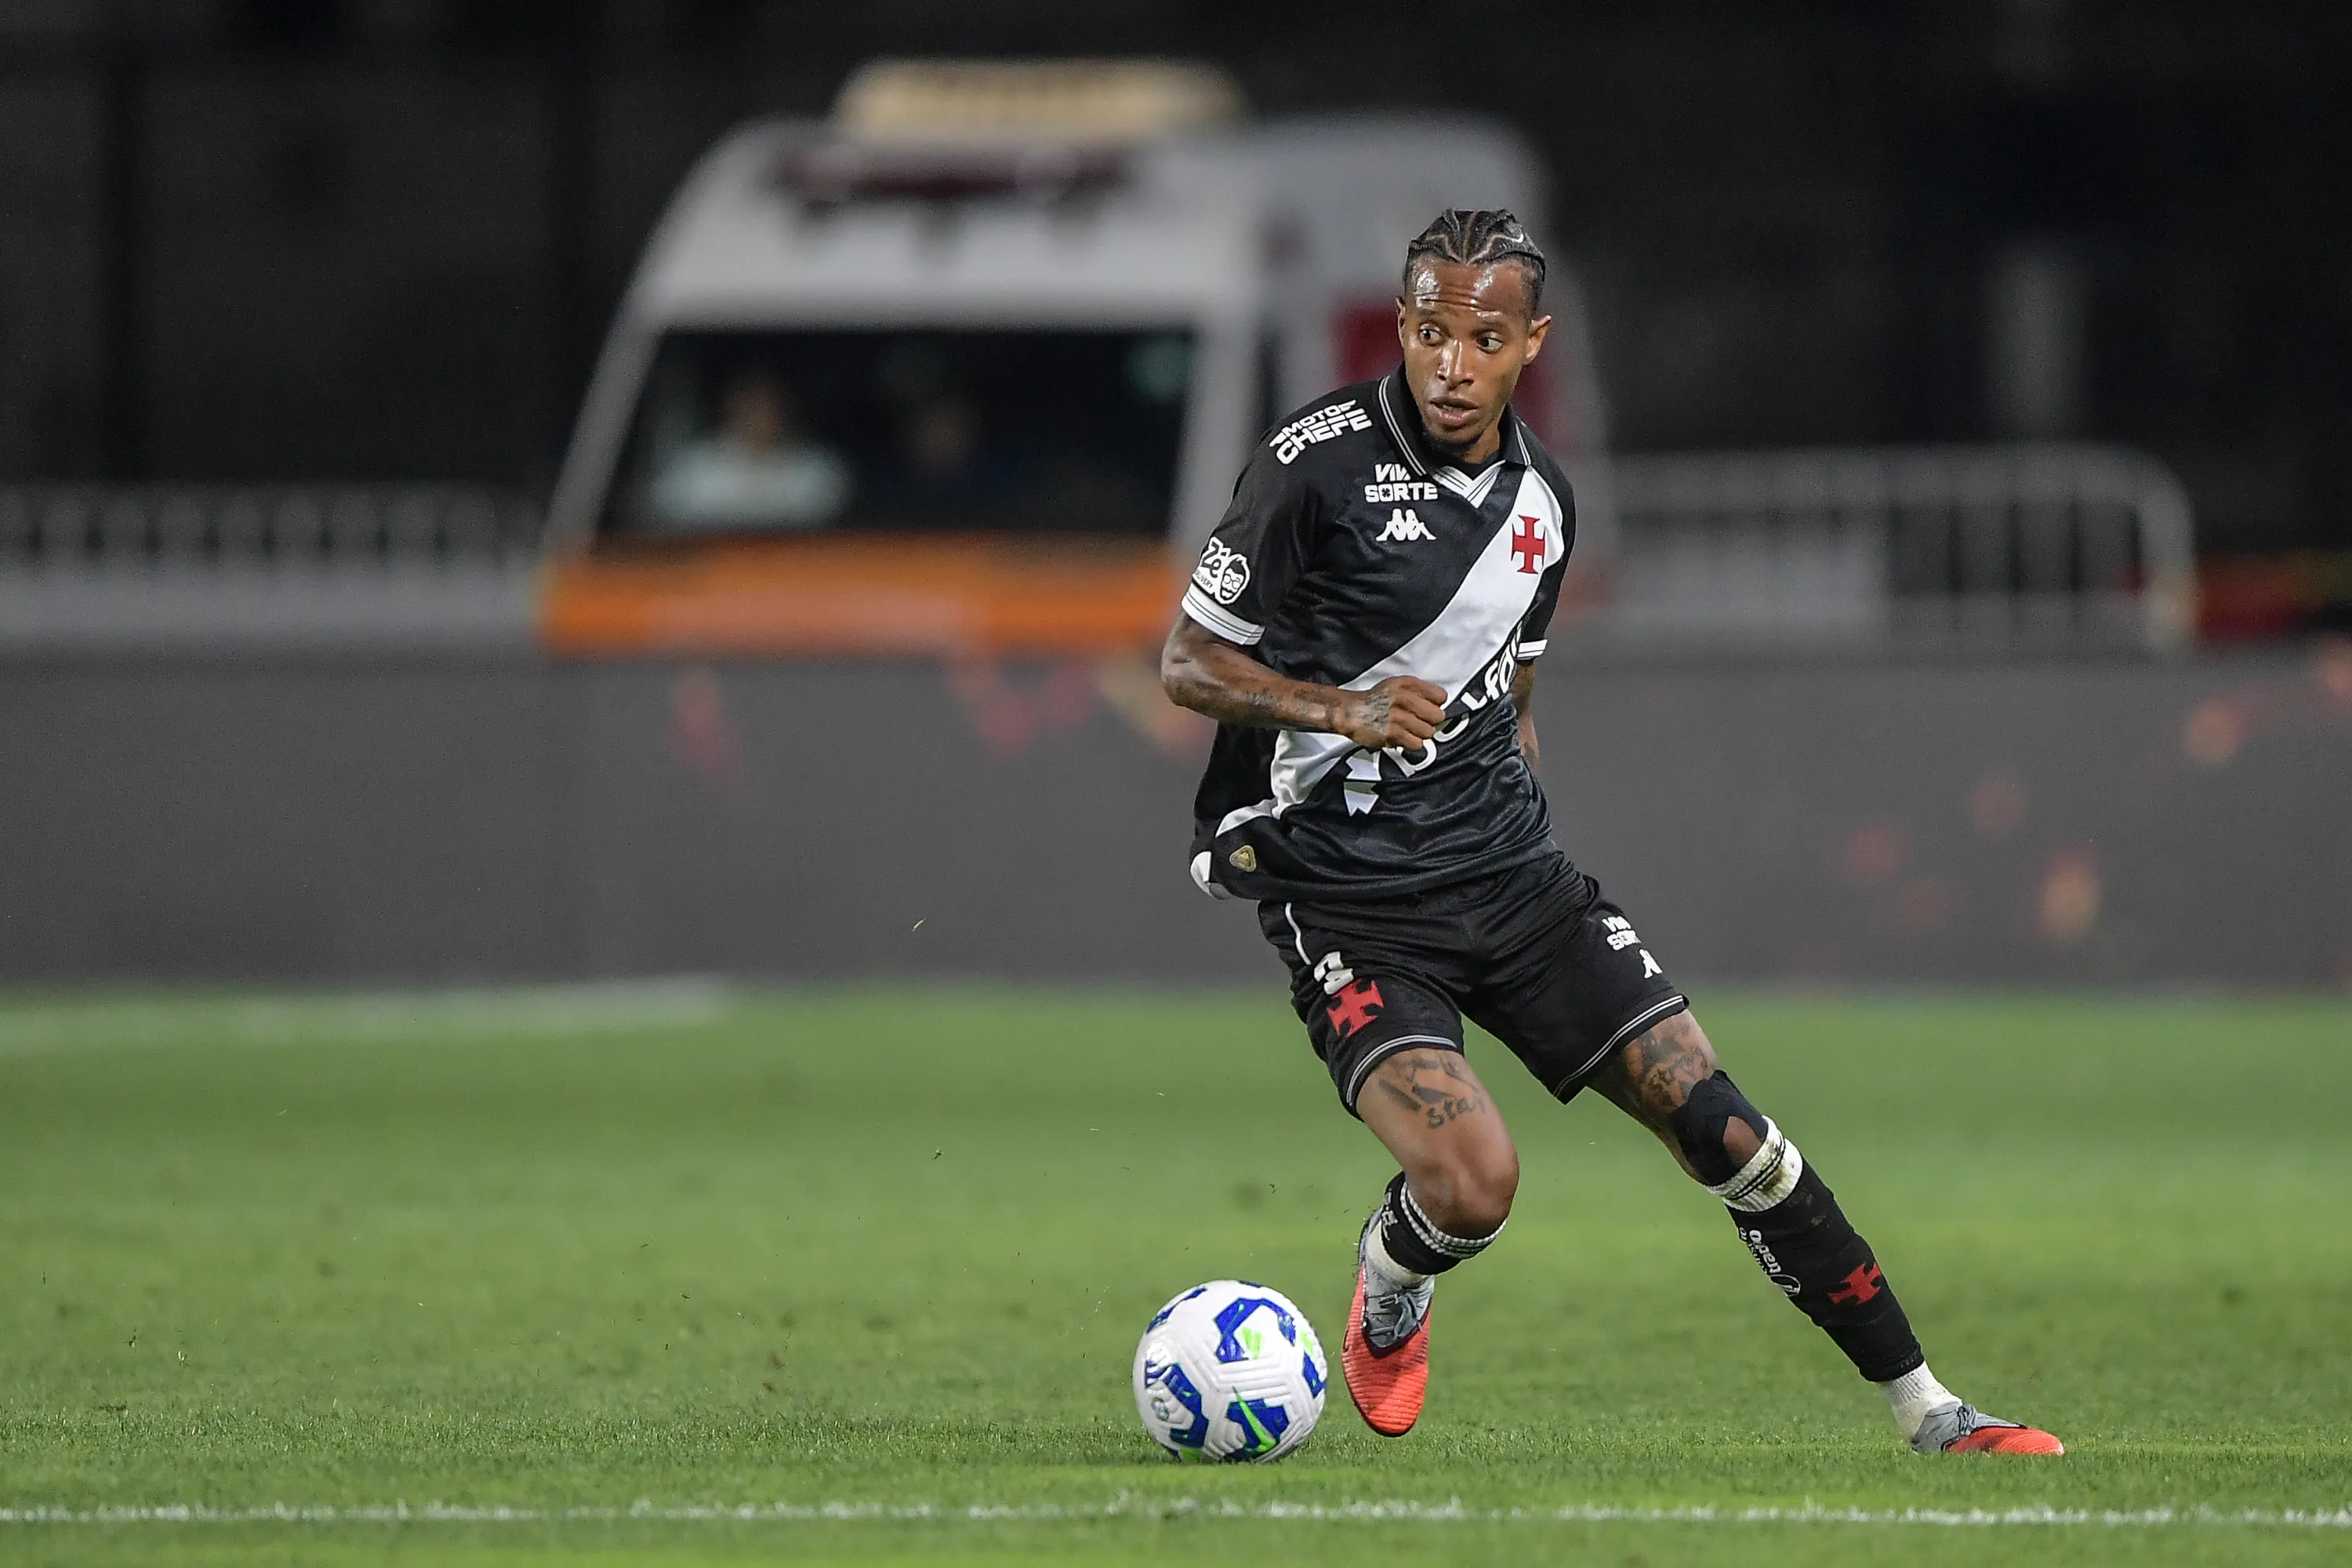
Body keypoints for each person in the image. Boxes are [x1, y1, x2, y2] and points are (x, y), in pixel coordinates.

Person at [1158, 209, 2062, 1456]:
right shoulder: (1313, 464)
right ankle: (1393, 1278)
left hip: (1517, 886)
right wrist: (1341, 710)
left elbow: (1512, 686)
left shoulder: (1544, 504)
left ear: (1531, 343)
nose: (1453, 364)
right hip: (1350, 896)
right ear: (1404, 329)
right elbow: (1188, 662)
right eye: (1429, 332)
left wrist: (1515, 813)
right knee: (1476, 1186)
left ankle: (1931, 1411)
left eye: (1484, 338)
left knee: (1726, 1126)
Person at [651, 366, 850, 529]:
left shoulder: (818, 473)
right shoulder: (694, 470)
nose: (760, 415)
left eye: (768, 406)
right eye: (751, 405)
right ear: (732, 406)